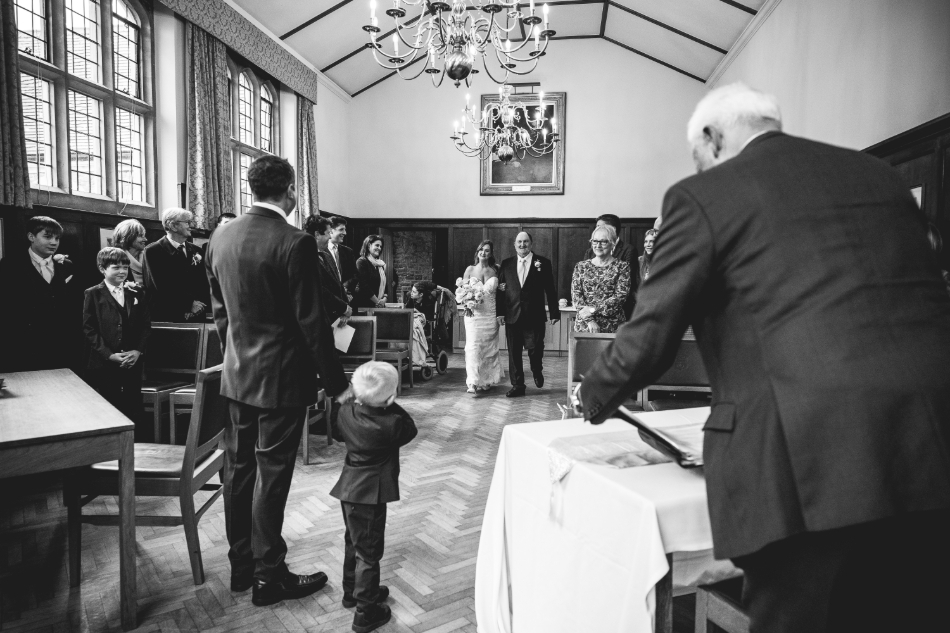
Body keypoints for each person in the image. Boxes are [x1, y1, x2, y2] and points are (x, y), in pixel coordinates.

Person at [577, 83, 950, 632]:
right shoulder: (879, 177)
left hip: (806, 463)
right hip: (929, 448)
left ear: (712, 138)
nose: (701, 169)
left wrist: (590, 394)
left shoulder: (703, 196)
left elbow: (651, 335)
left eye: (699, 158)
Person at [205, 155, 351, 607]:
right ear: (289, 190)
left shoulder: (220, 236)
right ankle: (268, 577)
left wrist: (237, 357)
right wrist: (337, 384)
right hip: (282, 379)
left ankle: (241, 568)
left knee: (238, 470)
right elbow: (311, 321)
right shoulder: (295, 241)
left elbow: (220, 313)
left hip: (237, 376)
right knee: (272, 475)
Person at [330, 361, 417, 633]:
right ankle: (366, 612)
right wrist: (391, 403)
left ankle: (351, 591)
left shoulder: (346, 412)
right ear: (390, 398)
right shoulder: (392, 424)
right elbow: (411, 428)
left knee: (354, 542)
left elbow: (336, 432)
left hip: (349, 491)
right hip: (370, 495)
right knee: (369, 553)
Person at [82, 248, 150, 435]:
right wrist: (109, 355)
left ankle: (137, 442)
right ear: (102, 269)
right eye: (116, 267)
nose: (122, 271)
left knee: (133, 402)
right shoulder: (93, 294)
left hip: (132, 359)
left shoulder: (136, 292)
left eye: (125, 267)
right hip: (105, 361)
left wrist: (137, 351)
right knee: (109, 402)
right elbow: (89, 329)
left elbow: (145, 326)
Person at [0, 216, 78, 372]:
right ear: (31, 237)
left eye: (57, 238)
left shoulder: (66, 266)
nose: (54, 242)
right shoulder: (10, 265)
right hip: (22, 347)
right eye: (47, 237)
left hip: (59, 347)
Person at [496, 232, 559, 397]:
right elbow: (501, 290)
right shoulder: (506, 264)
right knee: (514, 352)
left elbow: (550, 289)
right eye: (519, 242)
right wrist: (500, 312)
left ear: (531, 244)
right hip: (512, 314)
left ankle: (536, 369)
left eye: (525, 241)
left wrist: (554, 312)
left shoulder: (543, 263)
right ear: (514, 244)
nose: (522, 245)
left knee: (536, 348)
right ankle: (518, 385)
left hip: (535, 315)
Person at [141, 208, 210, 322]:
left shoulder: (197, 251)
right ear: (173, 226)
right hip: (169, 315)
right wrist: (188, 305)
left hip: (198, 313)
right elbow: (160, 285)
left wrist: (199, 306)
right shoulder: (153, 251)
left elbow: (204, 283)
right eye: (187, 222)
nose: (191, 226)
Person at [571, 225, 631, 333]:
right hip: (585, 326)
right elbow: (576, 297)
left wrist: (593, 309)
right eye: (595, 241)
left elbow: (620, 296)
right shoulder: (581, 266)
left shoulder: (622, 266)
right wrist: (590, 320)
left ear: (613, 243)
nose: (598, 245)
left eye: (603, 242)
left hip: (613, 326)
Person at [461, 240, 504, 393]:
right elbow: (462, 292)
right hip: (474, 315)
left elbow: (502, 292)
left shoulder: (496, 270)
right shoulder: (470, 269)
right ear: (477, 252)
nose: (483, 252)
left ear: (491, 253)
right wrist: (468, 299)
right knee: (473, 347)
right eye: (481, 249)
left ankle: (486, 379)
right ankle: (472, 382)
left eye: (487, 250)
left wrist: (503, 288)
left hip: (491, 315)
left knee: (488, 348)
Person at [583, 214, 638, 318]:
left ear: (613, 229)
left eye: (600, 226)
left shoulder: (628, 250)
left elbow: (625, 285)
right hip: (589, 314)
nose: (597, 230)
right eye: (596, 227)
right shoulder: (589, 252)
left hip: (616, 311)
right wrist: (589, 314)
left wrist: (596, 308)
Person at [305, 214, 352, 324]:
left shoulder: (326, 255)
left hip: (336, 318)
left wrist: (345, 309)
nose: (330, 237)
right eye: (328, 233)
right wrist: (343, 308)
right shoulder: (306, 257)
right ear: (317, 234)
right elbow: (319, 289)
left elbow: (338, 284)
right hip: (319, 319)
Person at [325, 216, 358, 301]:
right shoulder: (320, 251)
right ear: (331, 230)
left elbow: (355, 275)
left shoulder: (348, 251)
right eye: (341, 229)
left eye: (345, 230)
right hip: (329, 300)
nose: (345, 233)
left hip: (348, 298)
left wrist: (345, 288)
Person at [353, 235, 388, 309]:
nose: (379, 248)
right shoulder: (362, 262)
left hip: (379, 305)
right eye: (377, 245)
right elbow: (363, 285)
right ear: (369, 245)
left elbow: (385, 285)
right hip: (365, 305)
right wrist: (377, 302)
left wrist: (384, 299)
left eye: (381, 246)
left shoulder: (380, 264)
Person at [111, 219, 148, 284]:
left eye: (144, 236)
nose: (145, 239)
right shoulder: (114, 260)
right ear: (128, 237)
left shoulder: (149, 258)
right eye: (140, 236)